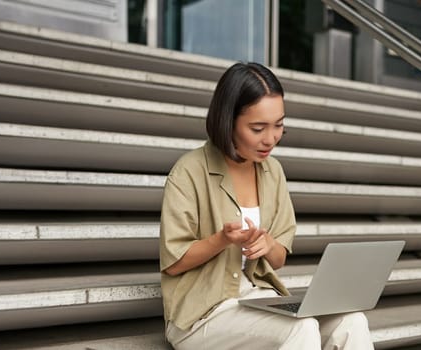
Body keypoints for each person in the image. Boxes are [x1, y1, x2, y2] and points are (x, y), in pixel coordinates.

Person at [159, 62, 374, 349]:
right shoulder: (189, 171)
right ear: (228, 121)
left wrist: (268, 244)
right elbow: (174, 263)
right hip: (202, 314)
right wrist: (222, 239)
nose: (270, 138)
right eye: (258, 128)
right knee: (301, 329)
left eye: (279, 125)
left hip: (259, 300)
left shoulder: (273, 172)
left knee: (352, 321)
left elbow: (278, 258)